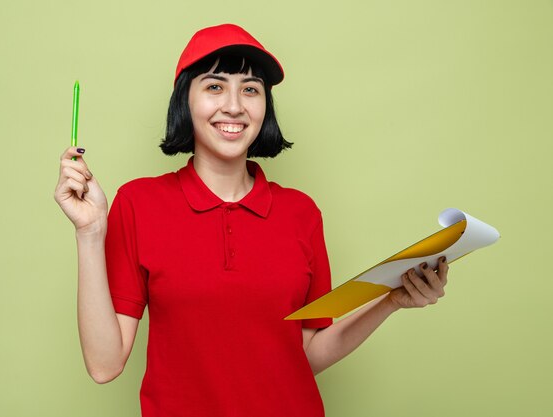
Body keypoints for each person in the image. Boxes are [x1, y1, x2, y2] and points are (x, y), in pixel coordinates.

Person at [54, 23, 448, 417]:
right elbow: (105, 366)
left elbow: (305, 354)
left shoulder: (301, 213)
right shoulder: (139, 203)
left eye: (250, 89)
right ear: (184, 101)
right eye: (214, 86)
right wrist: (89, 233)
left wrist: (391, 300)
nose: (234, 105)